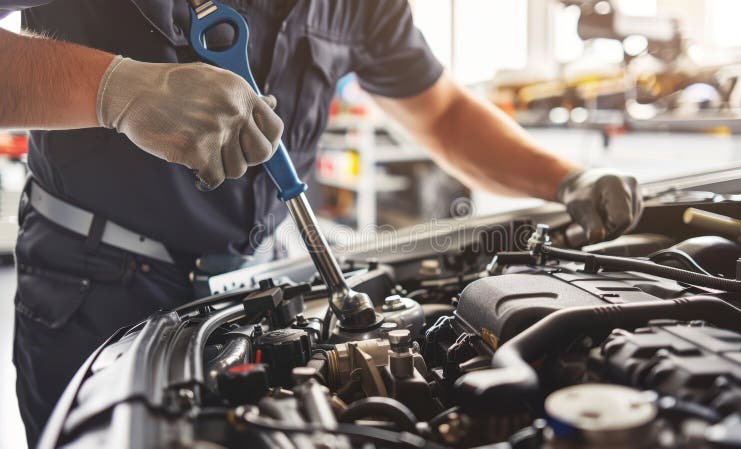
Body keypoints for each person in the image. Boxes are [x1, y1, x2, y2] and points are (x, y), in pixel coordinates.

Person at [0, 0, 642, 445]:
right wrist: (117, 90)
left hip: (250, 283)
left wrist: (565, 179)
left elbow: (441, 114)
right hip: (93, 286)